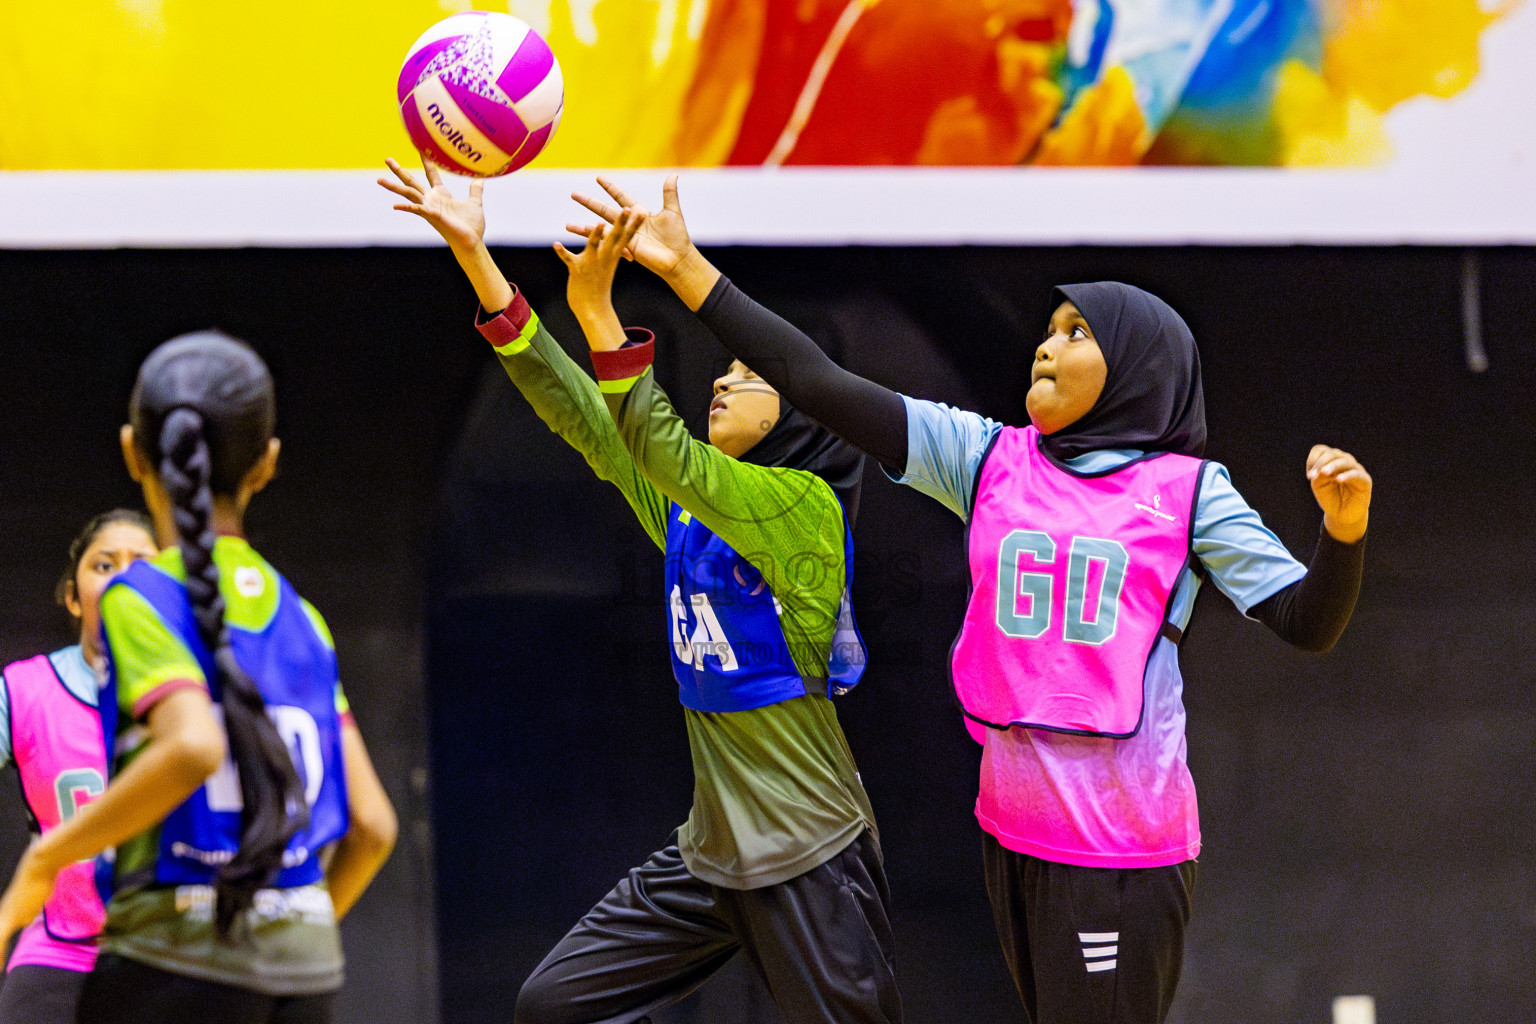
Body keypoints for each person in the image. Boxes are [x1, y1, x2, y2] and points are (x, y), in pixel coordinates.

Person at [568, 176, 1371, 1024]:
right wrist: (690, 270)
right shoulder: (990, 458)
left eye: (1077, 333)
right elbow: (815, 380)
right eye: (1048, 328)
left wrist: (1343, 534)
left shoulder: (1189, 492)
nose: (1047, 344)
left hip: (1120, 851)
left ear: (1141, 367)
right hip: (1013, 834)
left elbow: (1306, 623)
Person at [378, 158, 901, 1024]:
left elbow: (663, 450)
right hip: (711, 854)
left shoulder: (804, 506)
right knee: (552, 1007)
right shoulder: (690, 513)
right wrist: (477, 258)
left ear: (807, 411)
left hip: (809, 851)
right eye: (726, 370)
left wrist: (596, 310)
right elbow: (579, 410)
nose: (727, 380)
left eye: (754, 376)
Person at [0, 333, 398, 1024]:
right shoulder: (303, 617)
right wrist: (288, 938)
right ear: (267, 463)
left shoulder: (142, 596)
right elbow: (373, 827)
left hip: (174, 953)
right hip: (305, 967)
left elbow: (191, 749)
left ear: (133, 452)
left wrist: (41, 863)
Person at [0, 511, 158, 1024]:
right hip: (61, 950)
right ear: (73, 597)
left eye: (142, 563)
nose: (124, 578)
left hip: (172, 953)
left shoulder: (204, 693)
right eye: (105, 564)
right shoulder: (25, 690)